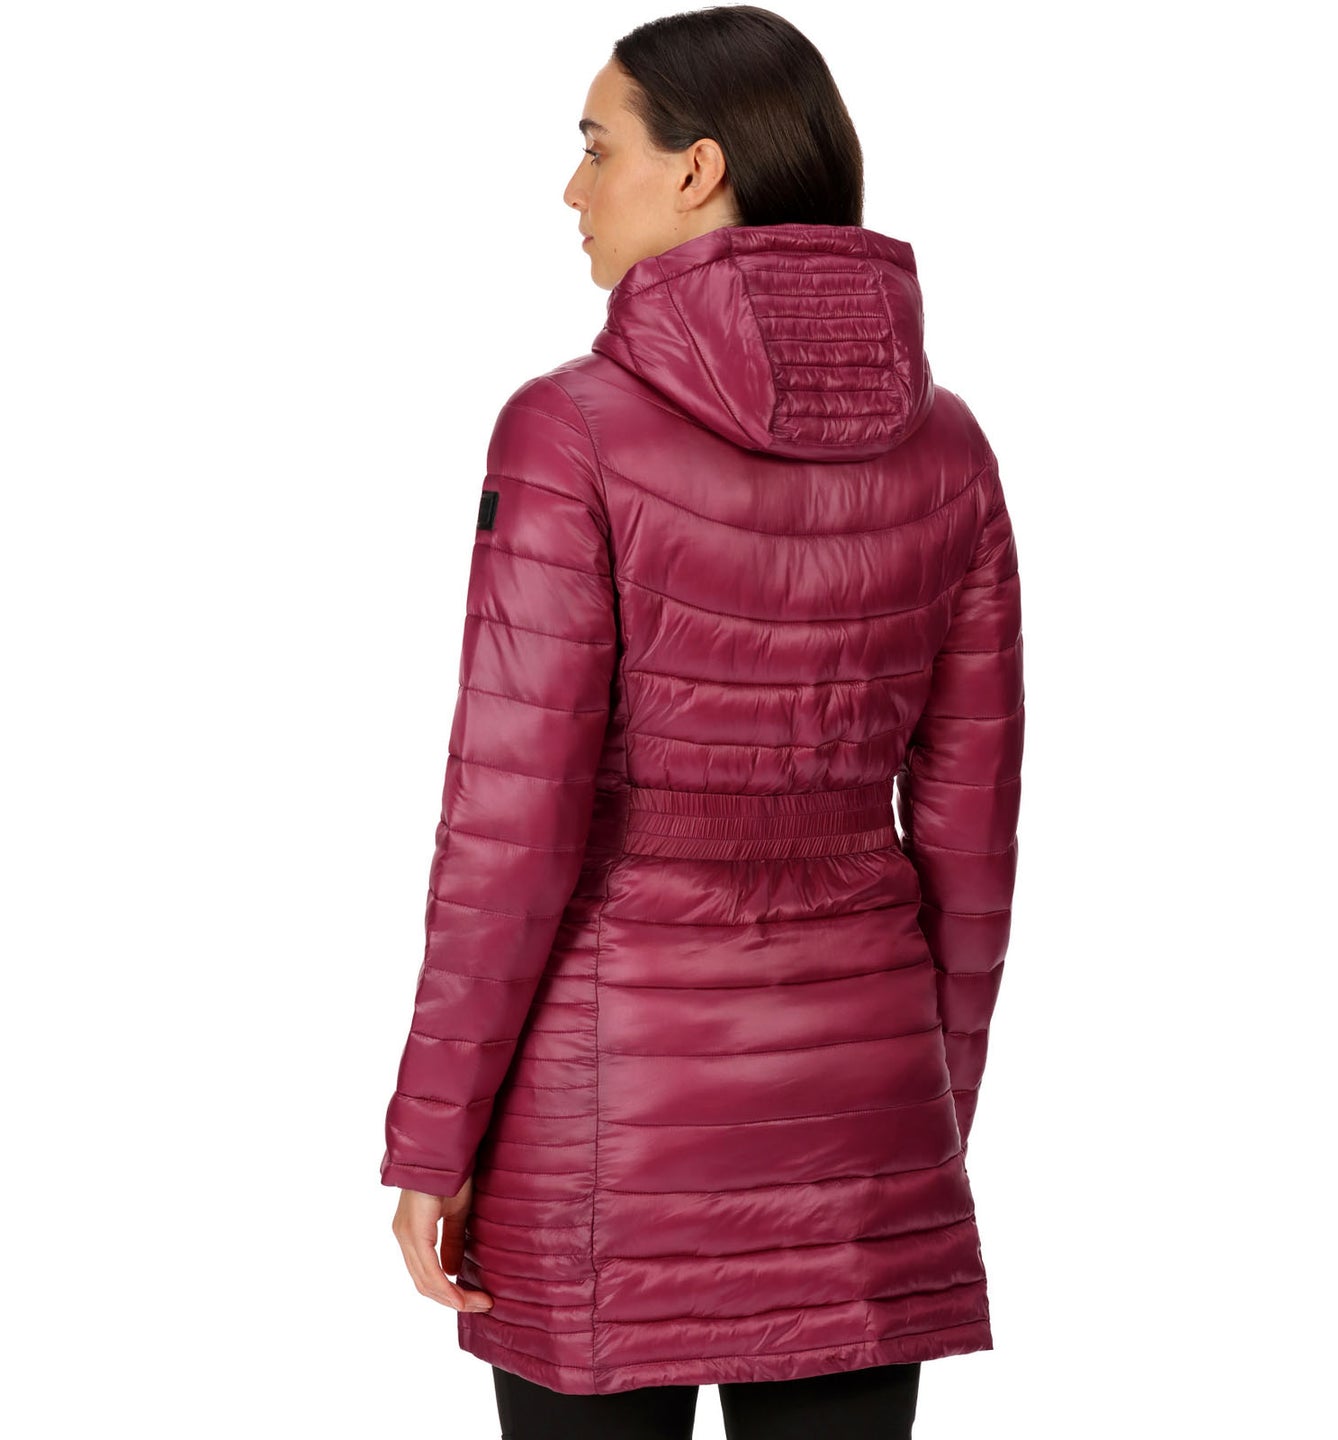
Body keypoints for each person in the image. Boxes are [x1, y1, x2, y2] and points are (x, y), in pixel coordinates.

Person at [379, 7, 1025, 1437]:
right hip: (866, 1120)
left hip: (604, 1121)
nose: (571, 189)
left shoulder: (565, 431)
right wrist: (927, 1114)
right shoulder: (953, 446)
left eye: (596, 146)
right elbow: (975, 833)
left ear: (697, 169)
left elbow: (508, 826)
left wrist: (434, 1135)